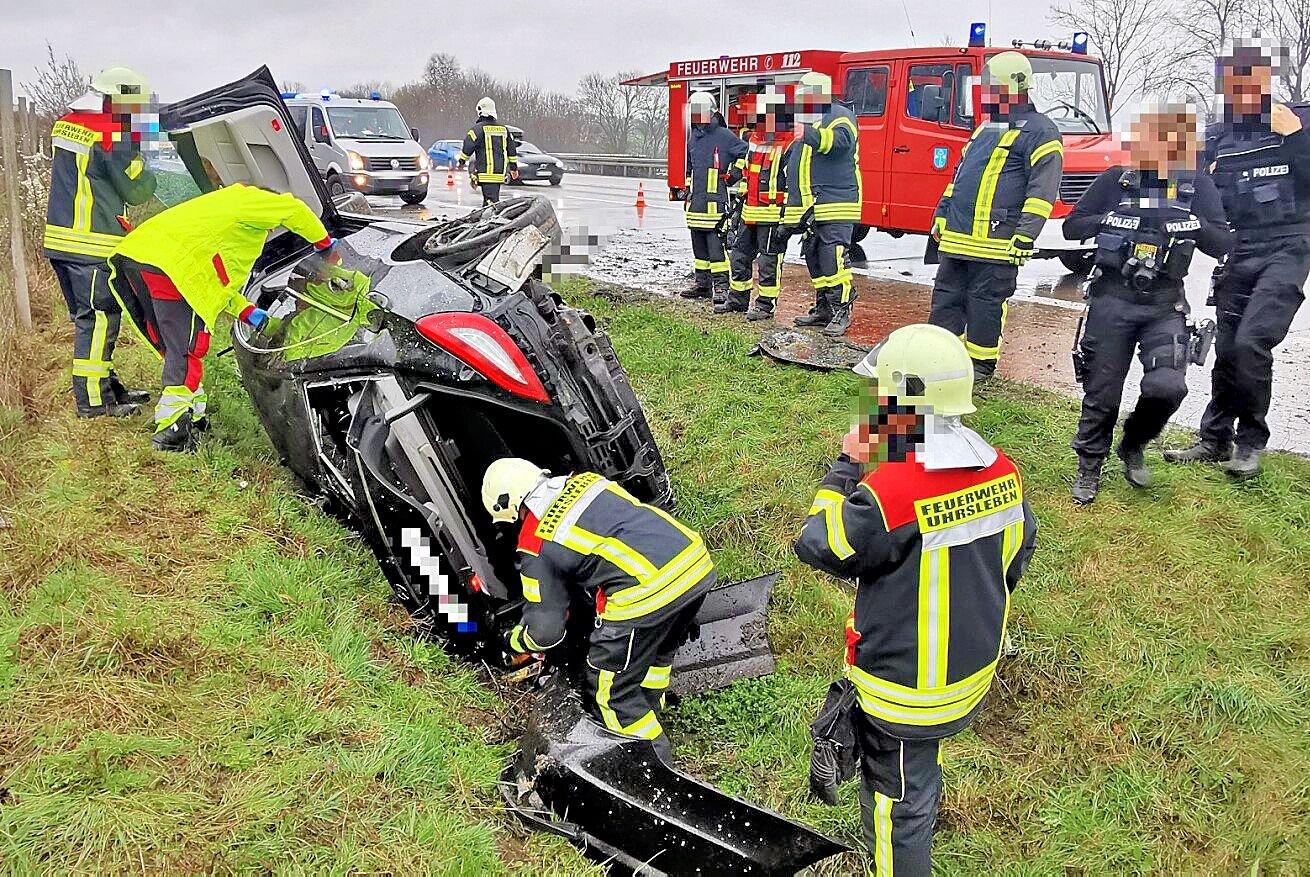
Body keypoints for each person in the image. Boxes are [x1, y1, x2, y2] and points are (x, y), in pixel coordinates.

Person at [794, 324, 1037, 875]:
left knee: (894, 806)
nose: (872, 404)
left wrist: (847, 464)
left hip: (905, 693)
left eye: (879, 395)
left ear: (901, 401)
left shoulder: (893, 491)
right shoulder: (1002, 470)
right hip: (969, 671)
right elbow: (1015, 557)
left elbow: (818, 542)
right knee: (921, 770)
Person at [481, 458, 714, 762]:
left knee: (609, 692)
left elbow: (546, 633)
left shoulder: (535, 543)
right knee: (654, 655)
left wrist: (511, 641)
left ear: (509, 510)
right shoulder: (588, 482)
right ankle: (651, 711)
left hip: (647, 592)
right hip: (692, 563)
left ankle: (652, 769)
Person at [1064, 105, 1232, 504]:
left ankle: (1133, 444)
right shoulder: (1116, 181)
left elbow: (1223, 243)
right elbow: (1073, 226)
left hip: (1163, 305)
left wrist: (1191, 224)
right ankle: (1089, 464)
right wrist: (1112, 220)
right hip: (1111, 300)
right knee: (1102, 392)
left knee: (1167, 386)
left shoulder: (1197, 189)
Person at [1165, 37, 1310, 479]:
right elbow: (1183, 192)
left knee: (1252, 342)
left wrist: (1298, 139)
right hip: (1240, 247)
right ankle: (1214, 439)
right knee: (1227, 346)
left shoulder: (1298, 120)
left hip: (1289, 244)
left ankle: (1251, 443)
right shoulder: (1216, 137)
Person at [107, 182, 337, 451]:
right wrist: (325, 248)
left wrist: (252, 315)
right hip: (173, 270)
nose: (270, 232)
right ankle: (171, 432)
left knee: (177, 346)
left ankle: (193, 417)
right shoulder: (250, 199)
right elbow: (293, 208)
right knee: (187, 349)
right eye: (270, 228)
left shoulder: (219, 210)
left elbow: (216, 283)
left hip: (144, 260)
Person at [928, 52, 1063, 380]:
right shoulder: (985, 129)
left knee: (984, 305)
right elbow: (959, 179)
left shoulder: (1041, 131)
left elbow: (1042, 190)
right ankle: (940, 360)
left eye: (993, 87)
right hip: (958, 239)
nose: (986, 93)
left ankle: (980, 367)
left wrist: (1025, 234)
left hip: (996, 243)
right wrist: (941, 215)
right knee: (946, 300)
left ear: (1015, 88)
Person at [43, 66, 157, 417]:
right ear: (118, 101)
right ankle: (94, 403)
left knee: (87, 318)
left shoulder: (66, 123)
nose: (138, 114)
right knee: (99, 319)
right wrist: (149, 167)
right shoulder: (110, 133)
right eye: (135, 107)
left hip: (60, 240)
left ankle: (108, 388)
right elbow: (135, 191)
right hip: (92, 243)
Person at [781, 72, 862, 336]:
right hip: (813, 206)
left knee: (833, 257)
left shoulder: (839, 115)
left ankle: (842, 309)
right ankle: (824, 307)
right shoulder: (807, 122)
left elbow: (841, 143)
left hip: (837, 202)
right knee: (815, 255)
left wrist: (809, 134)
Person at [721, 90, 794, 319]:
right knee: (739, 255)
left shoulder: (790, 144)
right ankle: (737, 300)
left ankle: (765, 305)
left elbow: (794, 183)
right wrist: (737, 206)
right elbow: (746, 173)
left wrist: (789, 218)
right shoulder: (753, 140)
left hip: (773, 215)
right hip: (749, 211)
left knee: (768, 261)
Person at [681, 91, 748, 306]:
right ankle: (702, 285)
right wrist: (687, 193)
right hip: (696, 203)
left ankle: (721, 286)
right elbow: (690, 169)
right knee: (699, 248)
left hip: (715, 204)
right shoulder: (693, 137)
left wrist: (735, 174)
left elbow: (745, 154)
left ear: (711, 113)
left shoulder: (724, 135)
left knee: (715, 248)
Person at [457, 97, 518, 205]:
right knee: (492, 198)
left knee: (490, 202)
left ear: (481, 111)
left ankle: (491, 219)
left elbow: (468, 146)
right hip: (499, 173)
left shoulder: (477, 129)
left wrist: (461, 161)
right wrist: (513, 168)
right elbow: (511, 150)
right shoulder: (504, 130)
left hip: (485, 172)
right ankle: (490, 216)